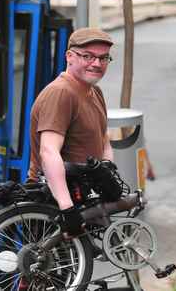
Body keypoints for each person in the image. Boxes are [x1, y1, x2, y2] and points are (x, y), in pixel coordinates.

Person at [28, 27, 114, 237]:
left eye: (103, 58)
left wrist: (107, 176)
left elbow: (104, 141)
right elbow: (49, 151)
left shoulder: (95, 92)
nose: (97, 63)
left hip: (82, 196)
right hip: (54, 203)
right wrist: (67, 209)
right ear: (69, 57)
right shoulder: (60, 93)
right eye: (88, 56)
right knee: (53, 269)